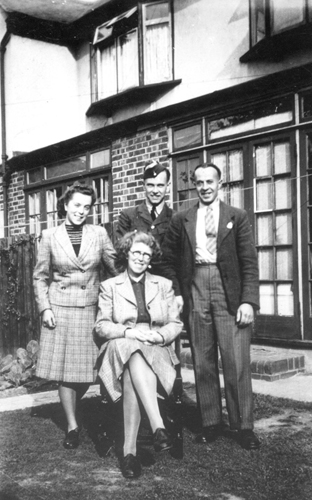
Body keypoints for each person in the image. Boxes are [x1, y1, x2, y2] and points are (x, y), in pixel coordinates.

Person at [160, 163, 261, 450]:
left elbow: (249, 263)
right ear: (194, 185)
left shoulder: (237, 217)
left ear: (220, 184)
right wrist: (178, 293)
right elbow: (167, 260)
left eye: (210, 182)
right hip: (196, 288)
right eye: (199, 182)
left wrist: (248, 300)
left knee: (236, 360)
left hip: (229, 289)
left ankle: (244, 427)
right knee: (202, 360)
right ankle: (211, 423)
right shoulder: (183, 219)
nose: (204, 187)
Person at [33, 182, 117, 450]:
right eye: (77, 205)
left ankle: (88, 416)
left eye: (87, 207)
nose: (82, 211)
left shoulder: (99, 233)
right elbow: (40, 276)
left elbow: (115, 268)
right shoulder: (49, 236)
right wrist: (45, 308)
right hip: (60, 310)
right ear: (66, 205)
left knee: (90, 372)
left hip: (91, 309)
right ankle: (72, 425)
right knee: (67, 373)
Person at [94, 231, 183, 478]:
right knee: (132, 351)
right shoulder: (110, 286)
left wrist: (159, 336)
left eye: (146, 254)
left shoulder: (163, 285)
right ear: (127, 254)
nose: (141, 258)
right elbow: (101, 326)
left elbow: (175, 324)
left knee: (134, 371)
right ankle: (159, 426)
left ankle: (129, 453)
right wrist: (130, 332)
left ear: (151, 259)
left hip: (155, 347)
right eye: (137, 253)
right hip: (122, 344)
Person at [115, 159, 174, 275]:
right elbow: (120, 254)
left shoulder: (175, 217)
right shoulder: (128, 216)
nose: (155, 191)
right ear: (143, 186)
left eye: (160, 185)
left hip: (166, 282)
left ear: (168, 186)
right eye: (150, 185)